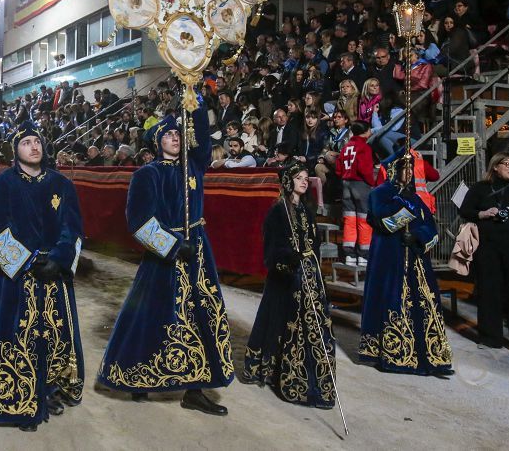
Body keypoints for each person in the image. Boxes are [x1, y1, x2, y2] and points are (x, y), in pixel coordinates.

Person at [98, 98, 235, 415]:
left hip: (198, 252)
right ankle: (138, 377)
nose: (175, 137)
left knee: (201, 316)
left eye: (178, 133)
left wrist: (193, 95)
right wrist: (172, 245)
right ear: (158, 142)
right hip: (166, 257)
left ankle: (195, 389)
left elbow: (199, 131)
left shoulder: (194, 165)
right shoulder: (147, 174)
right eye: (168, 134)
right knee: (154, 317)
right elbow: (139, 221)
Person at [0, 121, 86, 430]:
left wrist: (59, 258)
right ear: (16, 150)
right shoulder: (1, 184)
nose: (34, 146)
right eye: (26, 142)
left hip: (55, 274)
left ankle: (50, 388)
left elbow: (74, 229)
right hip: (19, 277)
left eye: (37, 141)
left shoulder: (61, 184)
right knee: (17, 336)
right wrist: (27, 262)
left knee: (55, 335)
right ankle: (20, 395)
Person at [241, 160, 335, 408]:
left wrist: (313, 270)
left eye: (306, 178)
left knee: (312, 326)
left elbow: (313, 245)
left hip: (308, 275)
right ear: (288, 182)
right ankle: (275, 371)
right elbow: (271, 250)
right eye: (299, 178)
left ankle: (312, 378)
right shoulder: (278, 212)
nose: (305, 181)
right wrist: (289, 259)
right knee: (279, 322)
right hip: (285, 277)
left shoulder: (306, 210)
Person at [359, 153, 453, 375]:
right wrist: (405, 212)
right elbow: (383, 221)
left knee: (424, 302)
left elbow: (431, 228)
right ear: (394, 170)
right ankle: (396, 352)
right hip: (390, 257)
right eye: (405, 168)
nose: (409, 173)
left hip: (416, 259)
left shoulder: (416, 197)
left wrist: (418, 236)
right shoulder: (380, 193)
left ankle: (428, 353)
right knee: (393, 300)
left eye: (412, 169)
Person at [458, 153, 509, 354]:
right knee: (489, 291)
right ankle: (491, 337)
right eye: (508, 164)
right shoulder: (480, 188)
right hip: (488, 247)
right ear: (495, 166)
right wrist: (482, 214)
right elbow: (465, 211)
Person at [336, 121, 376, 266]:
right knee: (363, 220)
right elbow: (365, 170)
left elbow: (338, 168)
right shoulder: (364, 147)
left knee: (349, 220)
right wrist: (372, 183)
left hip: (345, 185)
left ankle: (349, 255)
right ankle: (363, 255)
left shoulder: (346, 147)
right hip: (360, 185)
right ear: (365, 131)